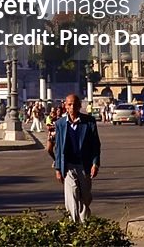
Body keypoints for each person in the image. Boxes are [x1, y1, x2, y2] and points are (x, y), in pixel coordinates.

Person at [52, 93, 101, 223]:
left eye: (74, 104)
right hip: (68, 165)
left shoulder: (89, 122)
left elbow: (95, 144)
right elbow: (58, 148)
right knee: (71, 194)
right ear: (65, 107)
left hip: (84, 165)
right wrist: (58, 168)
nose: (72, 107)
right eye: (69, 104)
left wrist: (95, 163)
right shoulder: (60, 124)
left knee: (85, 197)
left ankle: (84, 220)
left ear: (79, 106)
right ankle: (74, 223)